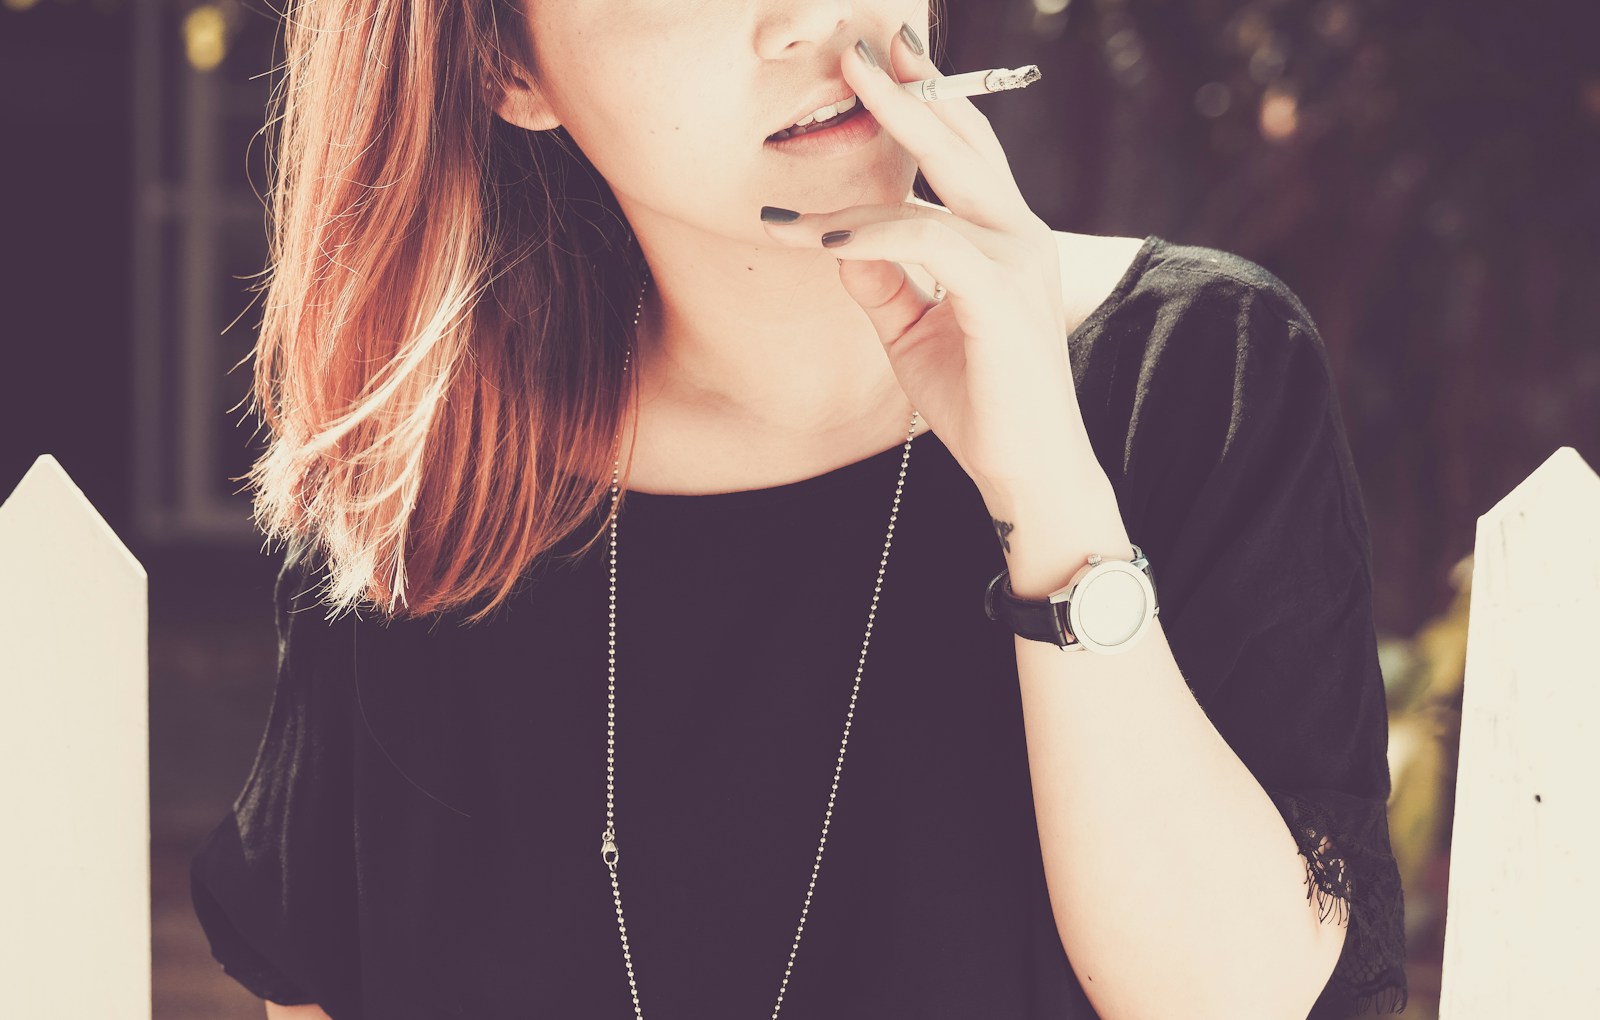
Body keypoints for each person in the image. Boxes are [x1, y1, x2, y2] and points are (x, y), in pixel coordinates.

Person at [189, 2, 1409, 1018]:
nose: (807, 22)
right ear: (508, 67)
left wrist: (1045, 479)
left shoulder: (1197, 367)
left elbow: (1239, 997)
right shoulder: (429, 494)